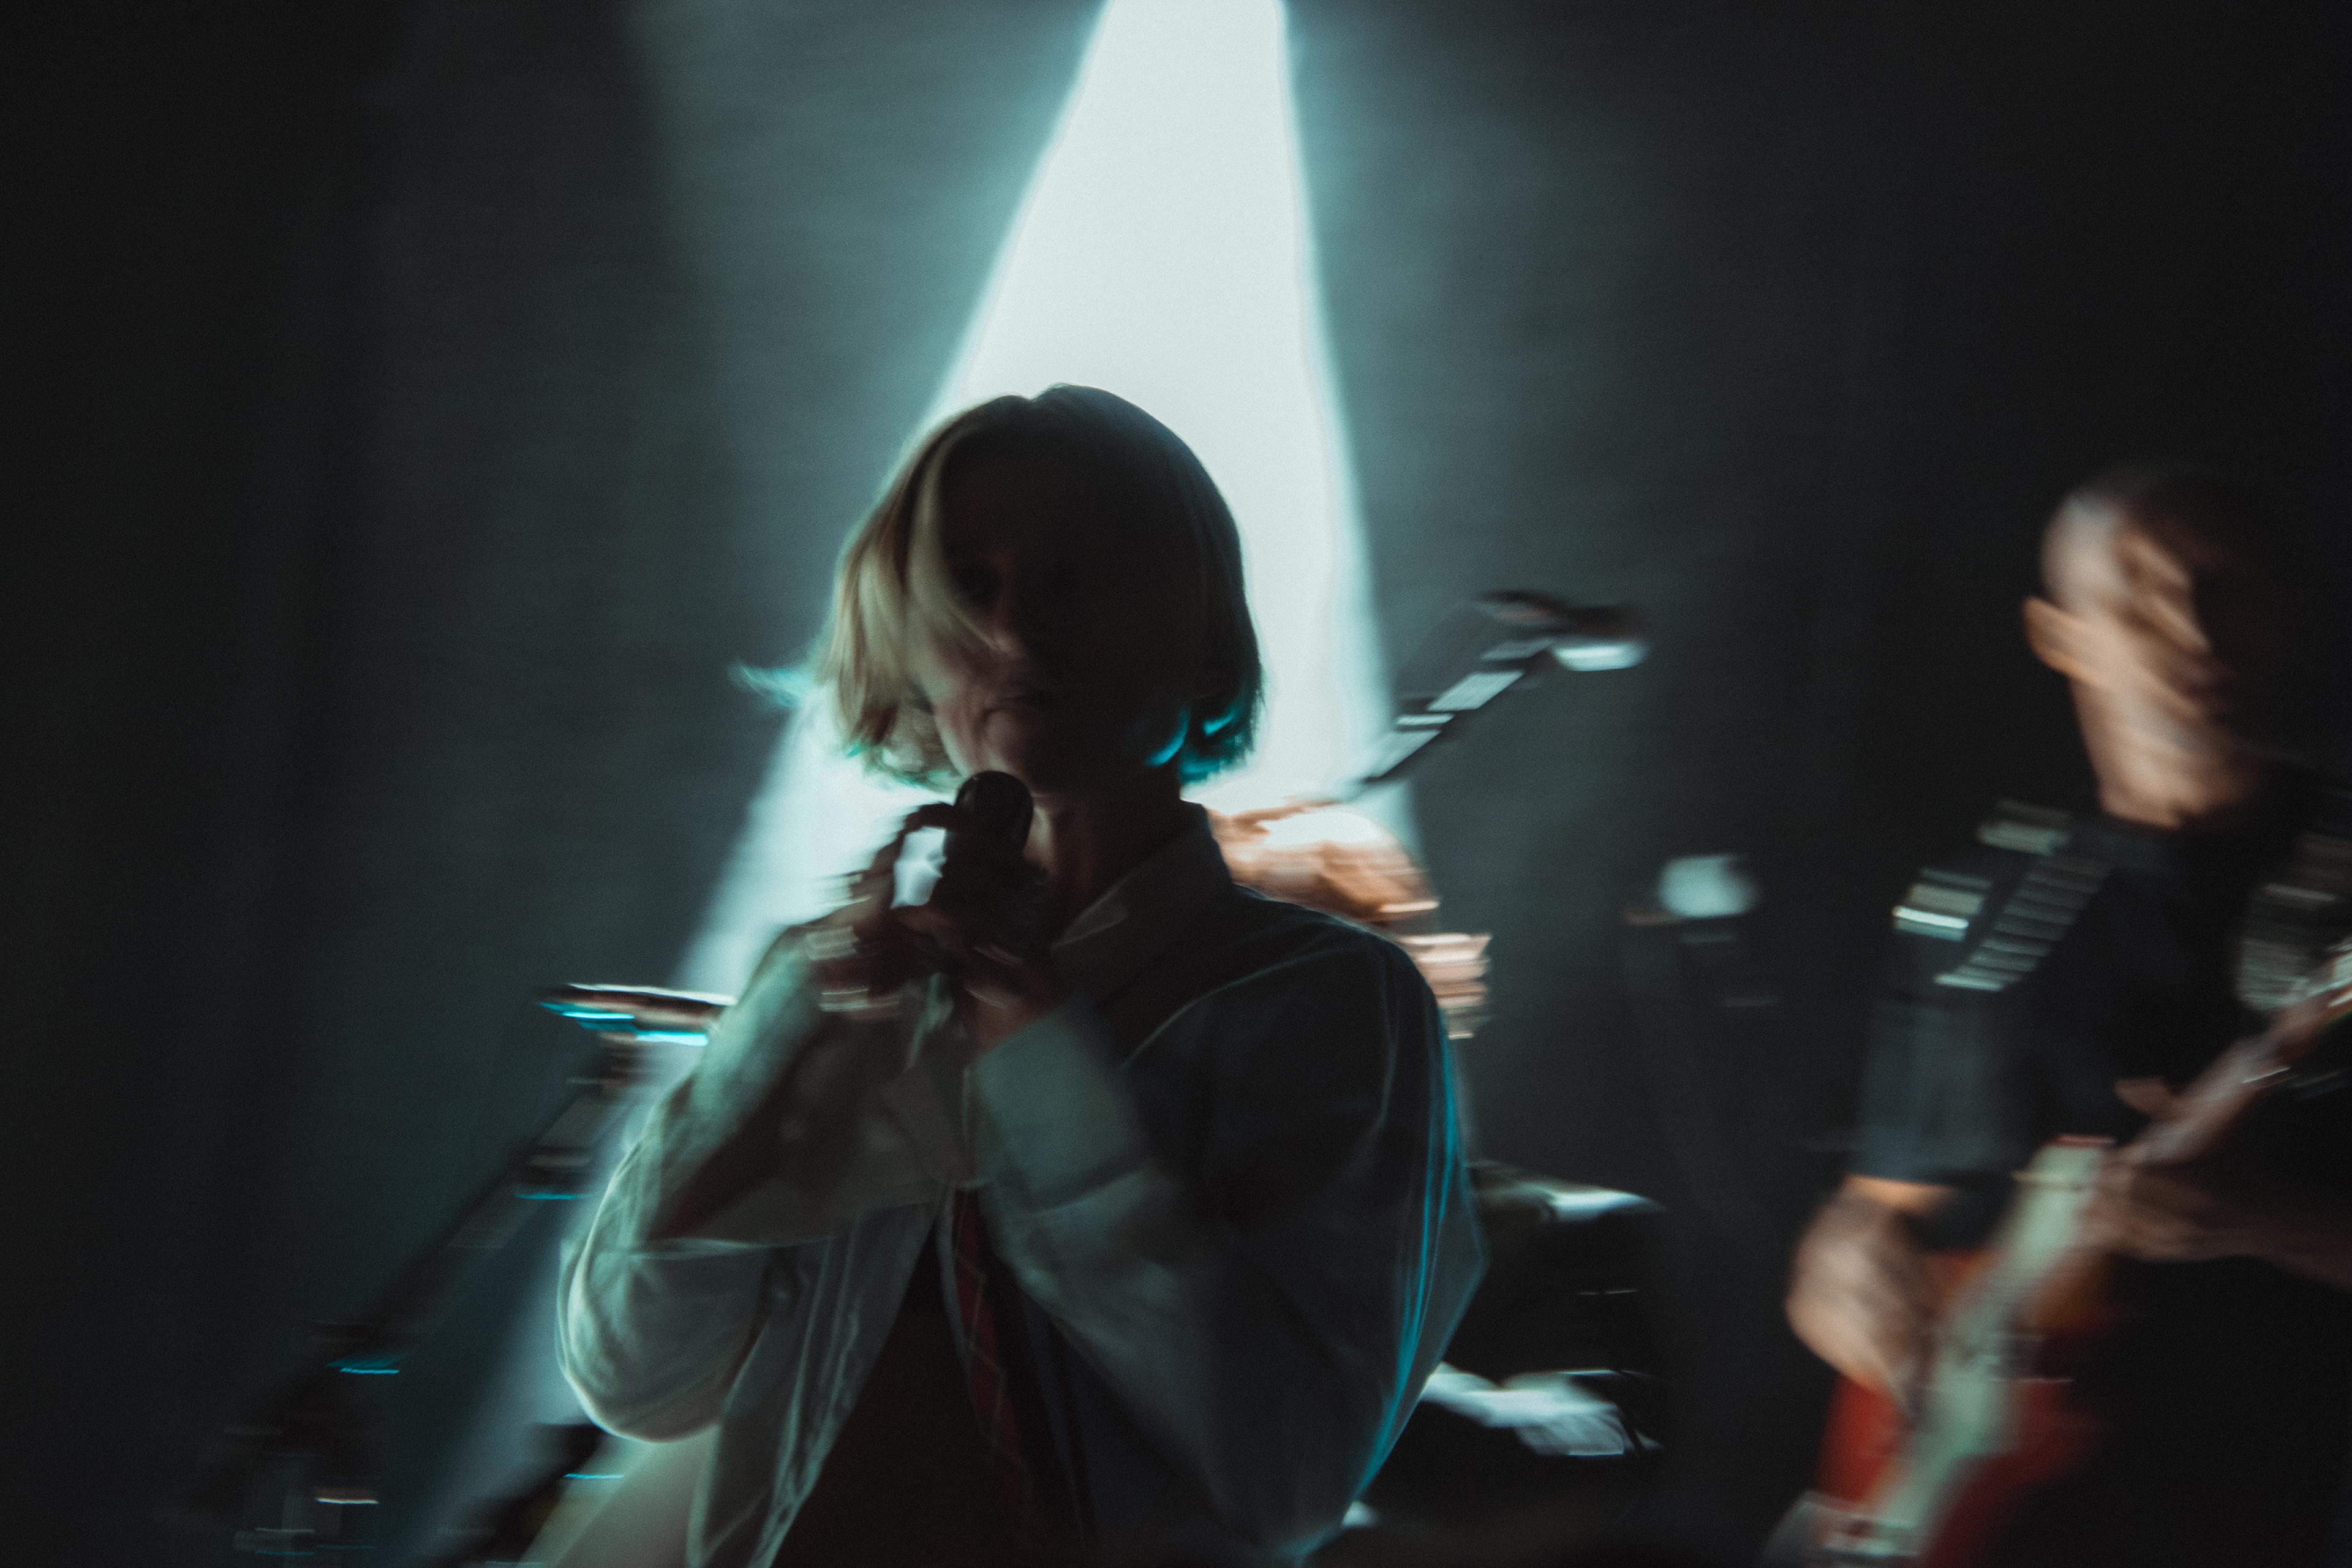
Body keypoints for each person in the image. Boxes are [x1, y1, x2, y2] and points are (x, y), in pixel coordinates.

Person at [556, 386, 1485, 1568]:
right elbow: (634, 1378)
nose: (1015, 628)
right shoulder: (849, 999)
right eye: (968, 586)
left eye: (1077, 574)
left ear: (1203, 639)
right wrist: (784, 1024)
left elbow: (1289, 1473)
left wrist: (1045, 1066)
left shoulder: (1329, 1000)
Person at [1784, 463, 2352, 1565]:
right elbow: (1865, 1225)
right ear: (2061, 635)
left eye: (2224, 587)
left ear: (2278, 612)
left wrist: (2268, 1223)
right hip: (1989, 1525)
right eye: (2139, 595)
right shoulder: (1984, 911)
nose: (2192, 629)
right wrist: (1843, 1283)